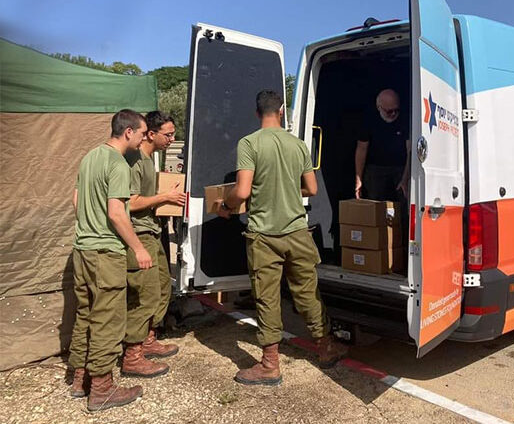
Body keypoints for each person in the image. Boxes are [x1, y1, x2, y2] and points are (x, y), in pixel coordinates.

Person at [215, 90, 348, 386]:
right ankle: (326, 347)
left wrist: (226, 207)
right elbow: (311, 189)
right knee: (307, 291)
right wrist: (287, 189)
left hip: (264, 234)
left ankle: (270, 364)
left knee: (267, 296)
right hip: (298, 233)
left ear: (257, 112)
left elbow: (243, 191)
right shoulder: (298, 145)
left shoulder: (249, 143)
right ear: (282, 110)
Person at [67, 109, 150, 412]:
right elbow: (117, 213)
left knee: (86, 315)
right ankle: (101, 389)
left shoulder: (89, 157)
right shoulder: (118, 163)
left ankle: (80, 379)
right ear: (128, 131)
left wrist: (89, 227)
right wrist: (139, 248)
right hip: (105, 253)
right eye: (141, 134)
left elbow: (77, 202)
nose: (143, 140)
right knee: (108, 321)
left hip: (82, 250)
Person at [121, 111, 185, 378]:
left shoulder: (148, 160)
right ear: (150, 134)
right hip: (139, 234)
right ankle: (132, 357)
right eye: (167, 134)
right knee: (145, 294)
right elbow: (131, 202)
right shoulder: (135, 161)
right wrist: (164, 196)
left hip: (152, 231)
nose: (171, 139)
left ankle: (148, 339)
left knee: (160, 287)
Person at [355, 88, 410, 201]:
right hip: (375, 167)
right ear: (379, 107)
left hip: (401, 167)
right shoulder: (369, 119)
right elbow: (362, 149)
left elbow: (410, 151)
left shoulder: (405, 119)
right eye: (389, 111)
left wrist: (405, 179)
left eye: (396, 110)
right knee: (375, 203)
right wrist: (358, 178)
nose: (394, 114)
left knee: (404, 200)